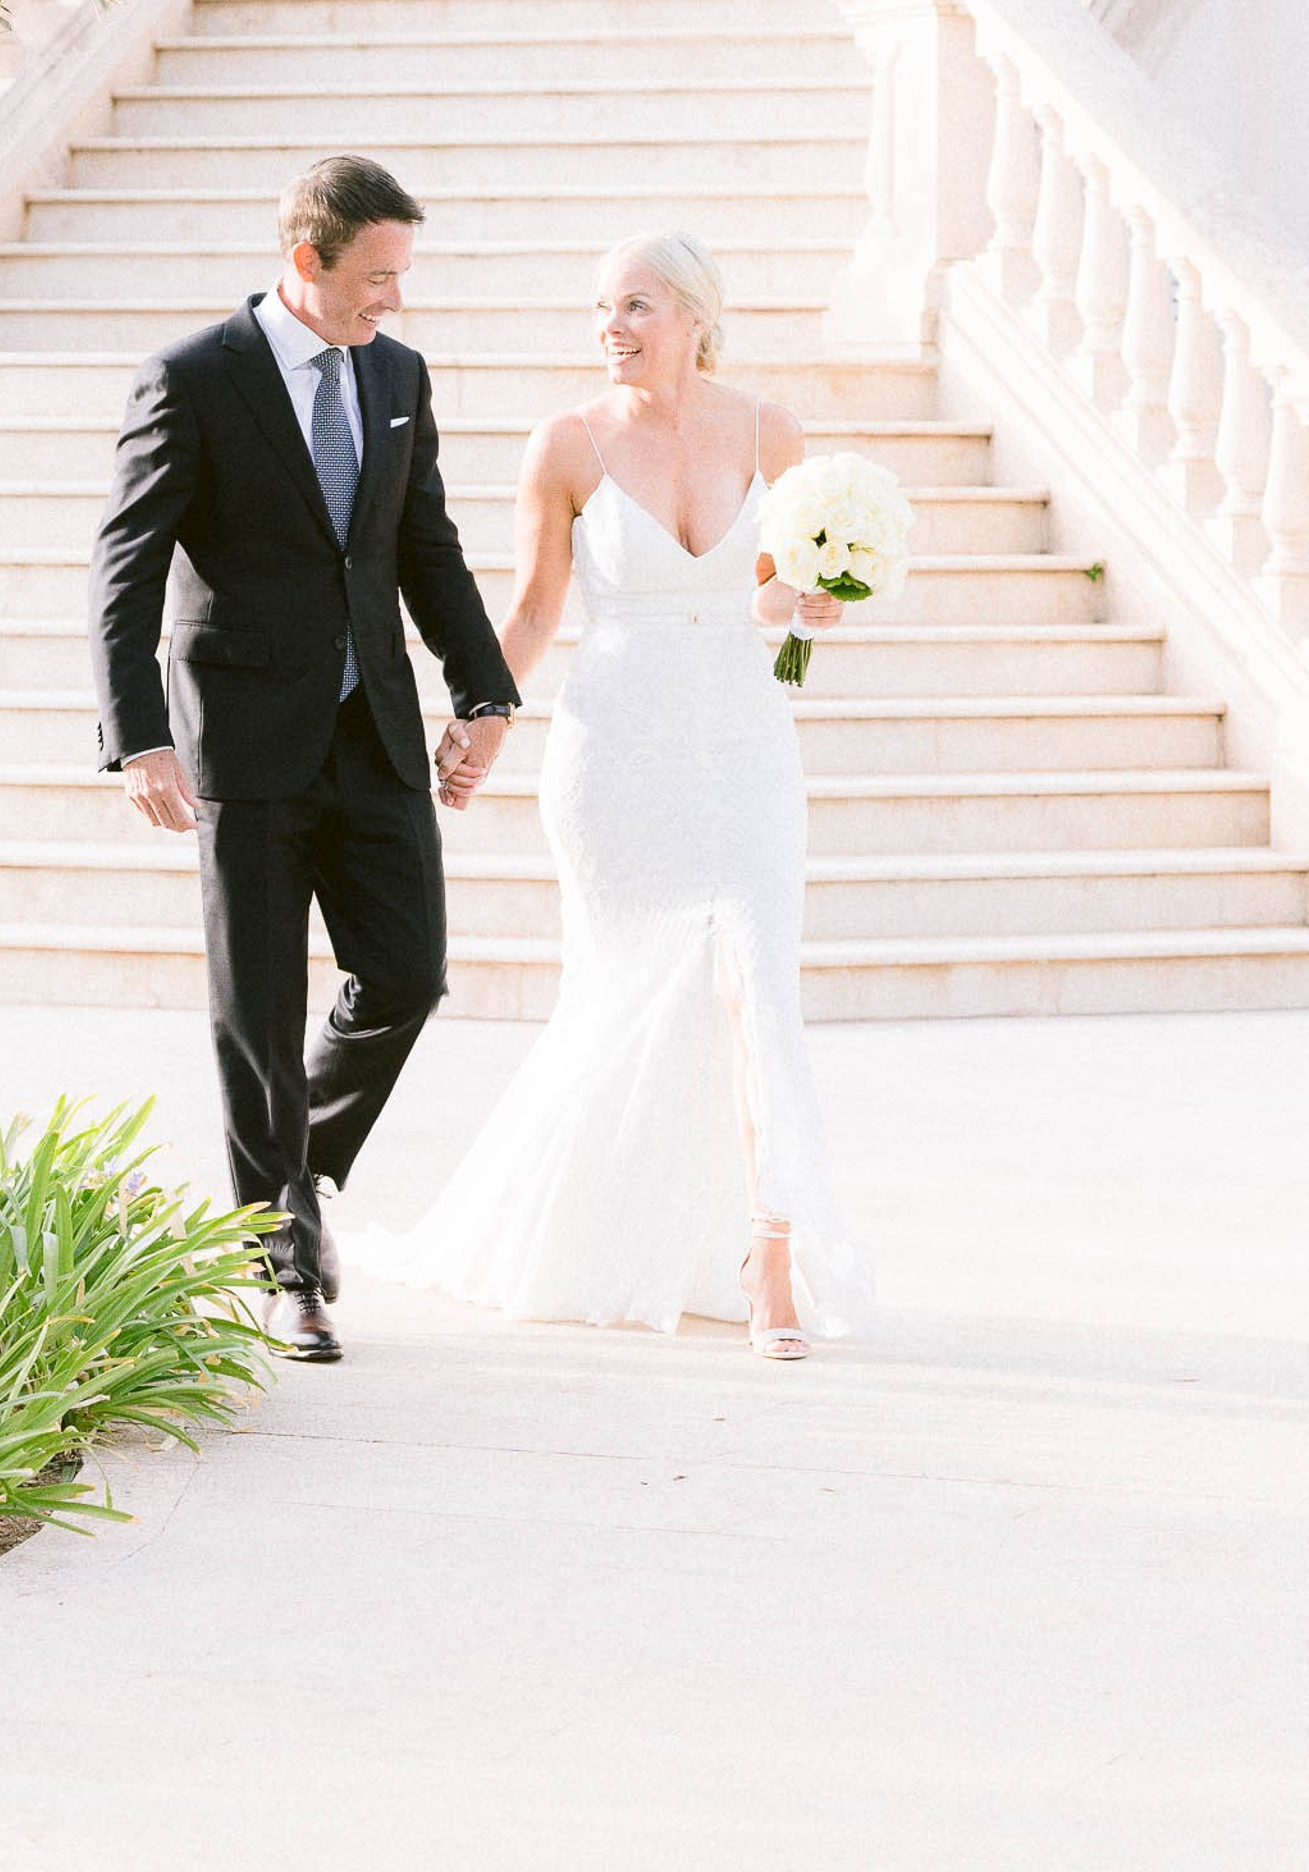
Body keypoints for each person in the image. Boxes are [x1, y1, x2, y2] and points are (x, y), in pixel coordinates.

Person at [369, 234, 870, 1356]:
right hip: (616, 749)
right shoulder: (565, 445)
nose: (611, 326)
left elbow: (770, 598)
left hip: (742, 741)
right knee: (620, 989)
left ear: (694, 312)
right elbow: (539, 609)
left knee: (759, 987)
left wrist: (811, 605)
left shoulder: (767, 431)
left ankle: (770, 1265)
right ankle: (601, 1223)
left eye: (635, 303)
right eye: (600, 306)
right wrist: (482, 719)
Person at [88, 154, 520, 1363]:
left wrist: (481, 688)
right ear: (305, 260)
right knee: (260, 1005)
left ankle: (289, 1181)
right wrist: (140, 739)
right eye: (376, 277)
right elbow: (124, 569)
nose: (393, 300)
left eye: (402, 276)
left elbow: (421, 543)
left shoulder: (396, 373)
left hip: (371, 729)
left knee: (409, 970)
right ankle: (288, 1265)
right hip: (243, 740)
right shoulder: (191, 377)